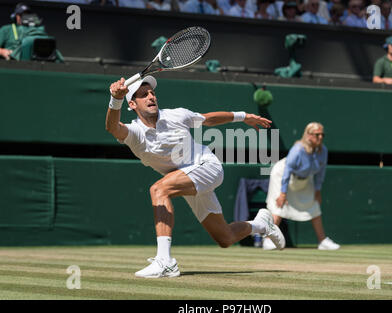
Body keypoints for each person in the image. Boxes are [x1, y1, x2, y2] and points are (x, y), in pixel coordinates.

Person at [106, 76, 285, 278]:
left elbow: (208, 119)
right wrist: (115, 100)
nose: (151, 96)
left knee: (158, 189)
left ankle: (165, 262)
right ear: (132, 103)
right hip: (184, 179)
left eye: (152, 93)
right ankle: (262, 224)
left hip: (207, 167)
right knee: (225, 237)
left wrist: (243, 116)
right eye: (143, 94)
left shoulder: (176, 115)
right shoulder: (134, 133)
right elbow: (113, 128)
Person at [262, 122, 340, 251]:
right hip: (282, 175)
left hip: (305, 179)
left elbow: (321, 172)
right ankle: (268, 240)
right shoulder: (298, 150)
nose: (320, 137)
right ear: (309, 135)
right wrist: (283, 193)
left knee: (314, 205)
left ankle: (322, 241)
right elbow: (287, 171)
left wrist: (318, 190)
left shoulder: (323, 150)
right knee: (279, 206)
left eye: (322, 135)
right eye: (317, 134)